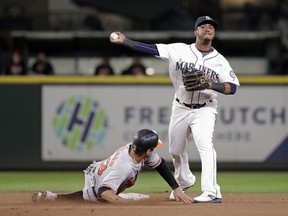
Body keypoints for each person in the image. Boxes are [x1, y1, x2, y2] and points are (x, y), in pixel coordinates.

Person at [109, 16, 240, 203]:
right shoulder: (178, 50)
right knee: (176, 150)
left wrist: (212, 84)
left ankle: (212, 191)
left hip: (205, 108)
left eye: (211, 27)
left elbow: (233, 87)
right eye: (203, 26)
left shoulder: (220, 61)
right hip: (180, 107)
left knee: (205, 145)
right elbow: (152, 49)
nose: (208, 29)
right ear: (196, 32)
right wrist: (126, 41)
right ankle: (185, 179)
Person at [32, 129, 192, 204]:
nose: (155, 150)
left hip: (99, 171)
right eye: (154, 148)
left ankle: (52, 197)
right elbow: (103, 191)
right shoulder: (125, 167)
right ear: (147, 150)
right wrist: (122, 203)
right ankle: (54, 199)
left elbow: (161, 165)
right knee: (95, 197)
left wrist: (176, 187)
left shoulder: (135, 148)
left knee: (93, 194)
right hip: (99, 186)